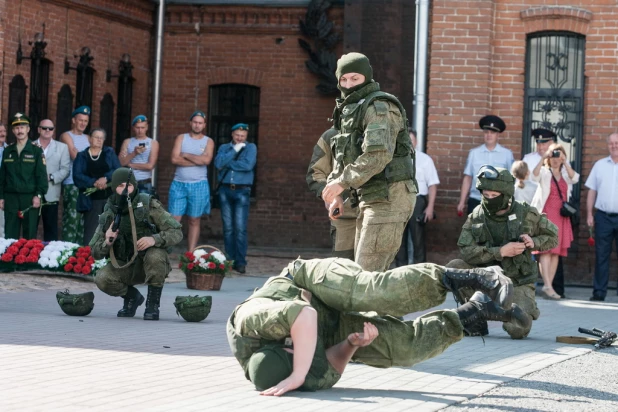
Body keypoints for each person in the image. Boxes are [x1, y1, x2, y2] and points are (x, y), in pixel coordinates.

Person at [228, 257, 528, 396]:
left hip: (307, 283)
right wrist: (352, 345)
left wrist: (295, 373)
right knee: (401, 349)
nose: (304, 359)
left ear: (280, 344)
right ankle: (472, 313)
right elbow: (327, 365)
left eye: (296, 357)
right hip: (325, 326)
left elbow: (303, 316)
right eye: (301, 366)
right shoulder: (292, 376)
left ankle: (471, 277)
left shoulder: (250, 322)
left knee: (371, 292)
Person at [321, 52, 416, 272]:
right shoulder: (349, 109)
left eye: (355, 78)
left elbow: (378, 156)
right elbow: (344, 155)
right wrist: (337, 193)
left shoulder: (378, 106)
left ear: (367, 77)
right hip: (369, 197)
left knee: (366, 274)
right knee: (363, 275)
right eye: (343, 79)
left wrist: (342, 182)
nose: (348, 84)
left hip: (390, 197)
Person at [448, 165, 558, 338]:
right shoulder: (477, 215)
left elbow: (553, 236)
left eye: (495, 195)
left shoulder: (525, 213)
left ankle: (505, 311)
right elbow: (466, 251)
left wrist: (534, 242)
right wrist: (500, 252)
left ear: (506, 194)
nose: (490, 199)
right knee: (455, 267)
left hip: (518, 280)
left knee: (518, 329)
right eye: (486, 195)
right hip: (488, 279)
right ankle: (475, 318)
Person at [91, 167, 183, 320]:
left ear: (134, 186)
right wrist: (107, 241)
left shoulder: (148, 204)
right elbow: (95, 252)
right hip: (125, 265)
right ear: (114, 188)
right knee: (102, 278)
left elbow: (177, 231)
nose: (125, 190)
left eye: (129, 186)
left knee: (155, 255)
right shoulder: (109, 212)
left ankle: (152, 305)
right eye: (120, 186)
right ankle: (132, 298)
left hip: (150, 263)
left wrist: (154, 239)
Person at [530, 143, 579, 300]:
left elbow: (575, 178)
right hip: (547, 213)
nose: (556, 159)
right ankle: (548, 285)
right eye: (553, 155)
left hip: (561, 215)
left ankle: (548, 286)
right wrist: (543, 157)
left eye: (559, 155)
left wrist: (565, 162)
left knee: (556, 252)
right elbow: (534, 175)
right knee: (546, 250)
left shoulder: (565, 174)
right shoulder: (545, 172)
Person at [523, 128, 568, 298]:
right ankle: (532, 286)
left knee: (553, 250)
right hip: (534, 208)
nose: (541, 145)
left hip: (555, 211)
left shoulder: (557, 161)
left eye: (545, 142)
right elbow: (527, 181)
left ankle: (552, 287)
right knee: (535, 250)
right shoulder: (529, 159)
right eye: (539, 142)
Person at [306, 127, 358, 260]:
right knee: (343, 270)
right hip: (345, 216)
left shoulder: (382, 128)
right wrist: (332, 195)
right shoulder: (331, 135)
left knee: (372, 273)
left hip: (377, 214)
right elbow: (316, 172)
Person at [214, 123, 257, 274]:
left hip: (242, 190)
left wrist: (228, 163)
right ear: (232, 134)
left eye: (242, 136)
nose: (240, 138)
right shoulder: (224, 147)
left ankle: (240, 262)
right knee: (228, 228)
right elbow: (218, 163)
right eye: (237, 135)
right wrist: (234, 151)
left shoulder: (251, 148)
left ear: (246, 136)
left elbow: (247, 165)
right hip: (225, 189)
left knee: (240, 228)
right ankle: (229, 260)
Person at [169, 111, 215, 252]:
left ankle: (191, 253)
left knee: (194, 219)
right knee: (173, 219)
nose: (197, 125)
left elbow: (207, 160)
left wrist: (187, 155)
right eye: (195, 122)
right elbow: (174, 159)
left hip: (199, 185)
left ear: (204, 125)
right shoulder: (181, 138)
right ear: (190, 123)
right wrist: (198, 161)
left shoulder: (208, 141)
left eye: (200, 123)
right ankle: (166, 252)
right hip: (179, 183)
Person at [395, 129, 439, 266]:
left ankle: (419, 270)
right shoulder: (394, 160)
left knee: (418, 239)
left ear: (416, 142)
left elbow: (432, 185)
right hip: (399, 201)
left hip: (417, 201)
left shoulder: (425, 160)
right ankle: (400, 271)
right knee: (398, 239)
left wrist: (430, 208)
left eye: (411, 140)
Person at [0, 113, 48, 239]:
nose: (19, 130)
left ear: (28, 129)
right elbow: (2, 176)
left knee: (29, 236)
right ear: (13, 130)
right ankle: (8, 259)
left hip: (30, 198)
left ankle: (28, 260)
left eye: (22, 127)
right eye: (16, 128)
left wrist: (38, 195)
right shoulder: (8, 151)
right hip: (11, 198)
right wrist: (1, 197)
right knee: (10, 236)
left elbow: (41, 176)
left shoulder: (36, 151)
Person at [457, 115, 514, 215]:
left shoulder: (507, 154)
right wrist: (462, 201)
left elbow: (511, 180)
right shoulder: (474, 153)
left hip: (498, 201)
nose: (489, 135)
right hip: (476, 199)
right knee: (475, 229)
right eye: (486, 132)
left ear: (498, 135)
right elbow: (468, 178)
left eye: (492, 132)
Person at [73, 128, 121, 245]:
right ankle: (89, 259)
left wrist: (105, 178)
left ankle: (109, 258)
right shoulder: (82, 156)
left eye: (101, 138)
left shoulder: (109, 152)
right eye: (96, 137)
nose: (99, 140)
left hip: (109, 198)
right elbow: (77, 176)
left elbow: (117, 169)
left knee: (110, 229)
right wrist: (94, 183)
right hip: (91, 201)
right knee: (91, 232)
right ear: (90, 139)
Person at [585, 132, 618, 301]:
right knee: (601, 255)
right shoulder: (599, 165)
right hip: (603, 217)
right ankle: (599, 292)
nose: (614, 146)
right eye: (611, 143)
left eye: (617, 142)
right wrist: (589, 214)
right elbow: (592, 191)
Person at [60, 106, 91, 244]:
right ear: (73, 120)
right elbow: (75, 157)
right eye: (80, 120)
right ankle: (67, 254)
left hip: (87, 185)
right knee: (71, 219)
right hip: (72, 183)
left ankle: (79, 256)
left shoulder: (89, 138)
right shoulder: (66, 136)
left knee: (84, 222)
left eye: (86, 120)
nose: (83, 123)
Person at [36, 119, 71, 241]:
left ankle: (49, 258)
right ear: (38, 129)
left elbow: (65, 170)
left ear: (53, 131)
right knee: (30, 230)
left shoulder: (62, 147)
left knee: (51, 232)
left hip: (52, 193)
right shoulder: (30, 145)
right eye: (44, 128)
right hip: (33, 193)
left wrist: (51, 177)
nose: (47, 131)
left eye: (50, 128)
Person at [118, 115, 159, 195]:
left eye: (142, 128)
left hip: (144, 182)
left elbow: (150, 166)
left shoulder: (153, 143)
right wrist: (134, 153)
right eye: (137, 127)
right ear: (133, 128)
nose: (140, 130)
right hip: (128, 182)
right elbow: (121, 162)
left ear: (147, 127)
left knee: (143, 207)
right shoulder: (127, 142)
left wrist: (130, 164)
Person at [0, 122, 8, 238]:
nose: (2, 134)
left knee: (2, 227)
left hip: (4, 193)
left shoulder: (10, 149)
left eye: (4, 131)